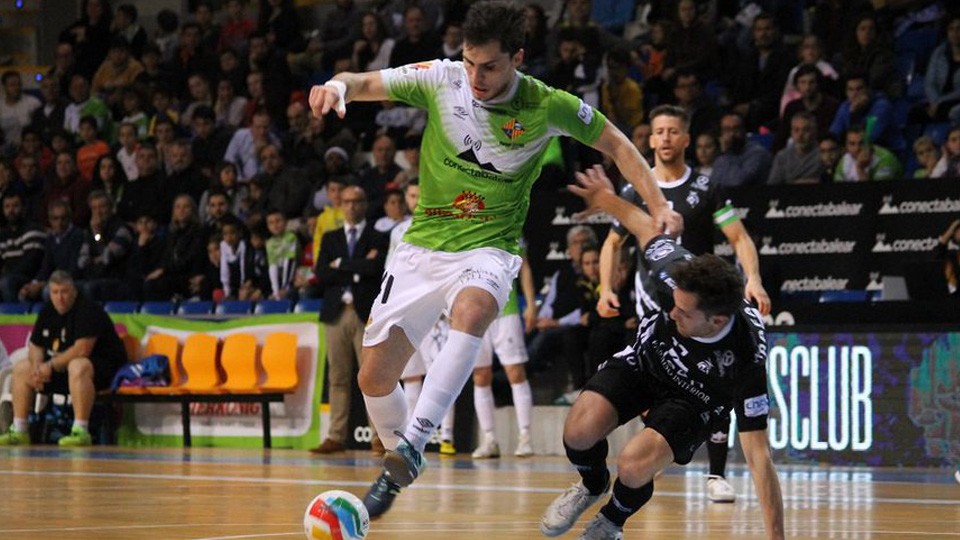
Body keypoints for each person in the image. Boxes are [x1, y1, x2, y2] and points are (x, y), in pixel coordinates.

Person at [307, 0, 682, 518]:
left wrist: (659, 204)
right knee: (374, 378)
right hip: (422, 247)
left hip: (490, 245)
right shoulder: (441, 79)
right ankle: (399, 451)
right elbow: (360, 81)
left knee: (476, 308)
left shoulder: (546, 104)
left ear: (517, 59)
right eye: (469, 63)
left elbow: (617, 144)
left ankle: (416, 440)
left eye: (489, 66)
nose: (476, 78)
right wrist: (338, 88)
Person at [541, 164, 784, 540]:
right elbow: (643, 226)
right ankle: (591, 484)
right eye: (674, 302)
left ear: (717, 321)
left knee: (634, 463)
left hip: (693, 401)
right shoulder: (679, 271)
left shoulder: (746, 359)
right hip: (647, 362)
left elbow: (759, 458)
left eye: (684, 313)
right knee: (578, 430)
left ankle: (611, 521)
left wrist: (777, 537)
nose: (672, 312)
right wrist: (605, 198)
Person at [599, 104, 771, 505]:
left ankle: (716, 473)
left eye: (673, 132)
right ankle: (653, 459)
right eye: (658, 132)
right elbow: (612, 243)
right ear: (650, 138)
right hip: (655, 304)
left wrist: (755, 279)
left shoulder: (706, 188)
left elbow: (740, 239)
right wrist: (606, 287)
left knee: (715, 379)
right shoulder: (634, 190)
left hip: (700, 307)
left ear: (686, 138)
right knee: (657, 384)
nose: (664, 139)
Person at [0, 270, 127, 447]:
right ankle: (20, 430)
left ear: (74, 291)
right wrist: (37, 367)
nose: (60, 297)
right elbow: (36, 346)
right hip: (63, 371)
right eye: (55, 292)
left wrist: (50, 366)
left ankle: (81, 430)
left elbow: (82, 349)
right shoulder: (47, 312)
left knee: (78, 365)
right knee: (22, 368)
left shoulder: (88, 310)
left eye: (64, 292)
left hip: (103, 372)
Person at [310, 186, 388, 455]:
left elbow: (375, 269)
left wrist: (340, 264)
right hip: (336, 313)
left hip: (366, 313)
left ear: (365, 204)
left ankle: (379, 437)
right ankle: (336, 436)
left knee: (371, 378)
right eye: (347, 202)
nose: (352, 207)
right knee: (338, 378)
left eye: (357, 202)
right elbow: (321, 273)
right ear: (340, 205)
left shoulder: (377, 236)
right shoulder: (330, 238)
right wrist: (356, 267)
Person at [470, 246, 537, 459]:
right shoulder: (463, 224)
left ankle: (525, 437)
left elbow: (524, 266)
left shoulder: (506, 219)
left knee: (515, 372)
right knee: (480, 376)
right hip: (475, 311)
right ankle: (489, 440)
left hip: (506, 308)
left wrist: (531, 305)